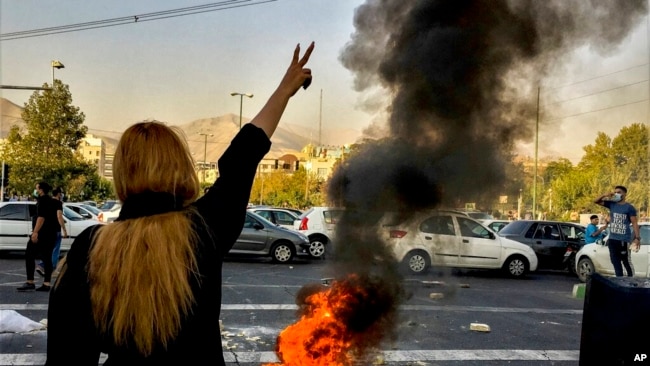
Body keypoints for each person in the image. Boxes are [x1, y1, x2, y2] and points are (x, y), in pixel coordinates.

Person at [45, 42, 314, 365]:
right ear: (180, 166)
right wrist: (284, 90)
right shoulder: (204, 229)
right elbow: (242, 157)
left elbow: (66, 357)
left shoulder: (90, 248)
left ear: (121, 173)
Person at [17, 182, 59, 292]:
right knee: (47, 258)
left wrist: (35, 232)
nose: (36, 190)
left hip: (42, 234)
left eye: (36, 188)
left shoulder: (42, 201)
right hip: (51, 233)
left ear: (40, 190)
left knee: (29, 253)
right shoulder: (53, 201)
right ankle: (46, 283)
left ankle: (30, 282)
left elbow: (41, 217)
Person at [594, 185, 640, 277]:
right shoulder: (612, 204)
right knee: (615, 261)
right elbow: (596, 201)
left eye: (619, 192)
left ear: (624, 194)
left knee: (626, 261)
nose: (616, 194)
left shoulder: (629, 208)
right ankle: (619, 280)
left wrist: (637, 238)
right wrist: (605, 195)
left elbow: (635, 223)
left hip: (623, 240)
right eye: (615, 192)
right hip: (612, 239)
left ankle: (631, 280)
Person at [37, 188, 68, 276]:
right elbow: (59, 216)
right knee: (55, 250)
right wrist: (64, 230)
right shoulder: (58, 203)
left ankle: (42, 265)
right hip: (55, 230)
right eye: (61, 193)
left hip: (47, 229)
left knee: (48, 249)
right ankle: (51, 269)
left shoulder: (48, 202)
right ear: (58, 194)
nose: (61, 195)